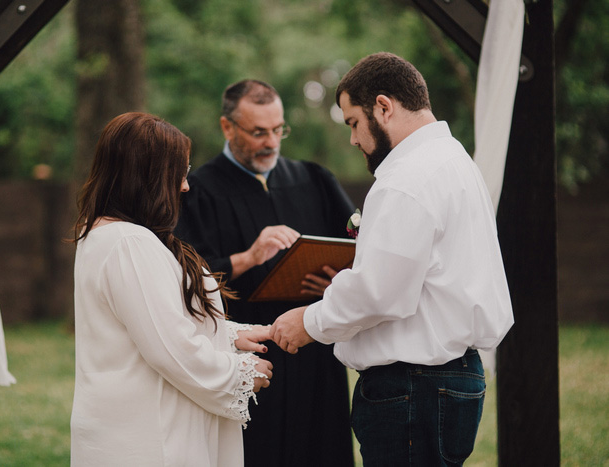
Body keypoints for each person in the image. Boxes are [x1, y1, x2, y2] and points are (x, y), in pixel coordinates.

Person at [270, 52, 515, 466]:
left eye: (352, 123)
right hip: (455, 376)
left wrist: (309, 322)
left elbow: (380, 293)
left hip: (412, 387)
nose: (352, 140)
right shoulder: (456, 162)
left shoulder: (405, 178)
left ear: (383, 107)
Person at [70, 112, 274, 466]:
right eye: (178, 173)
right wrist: (241, 373)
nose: (185, 186)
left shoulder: (106, 235)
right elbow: (170, 348)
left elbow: (150, 323)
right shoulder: (128, 243)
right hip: (149, 436)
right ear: (147, 175)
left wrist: (230, 335)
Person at [175, 80, 355, 466]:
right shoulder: (197, 191)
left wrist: (339, 281)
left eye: (278, 130)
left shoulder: (314, 178)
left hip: (315, 352)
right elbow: (183, 278)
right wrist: (248, 257)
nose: (271, 142)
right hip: (249, 352)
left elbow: (362, 247)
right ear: (227, 127)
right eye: (258, 132)